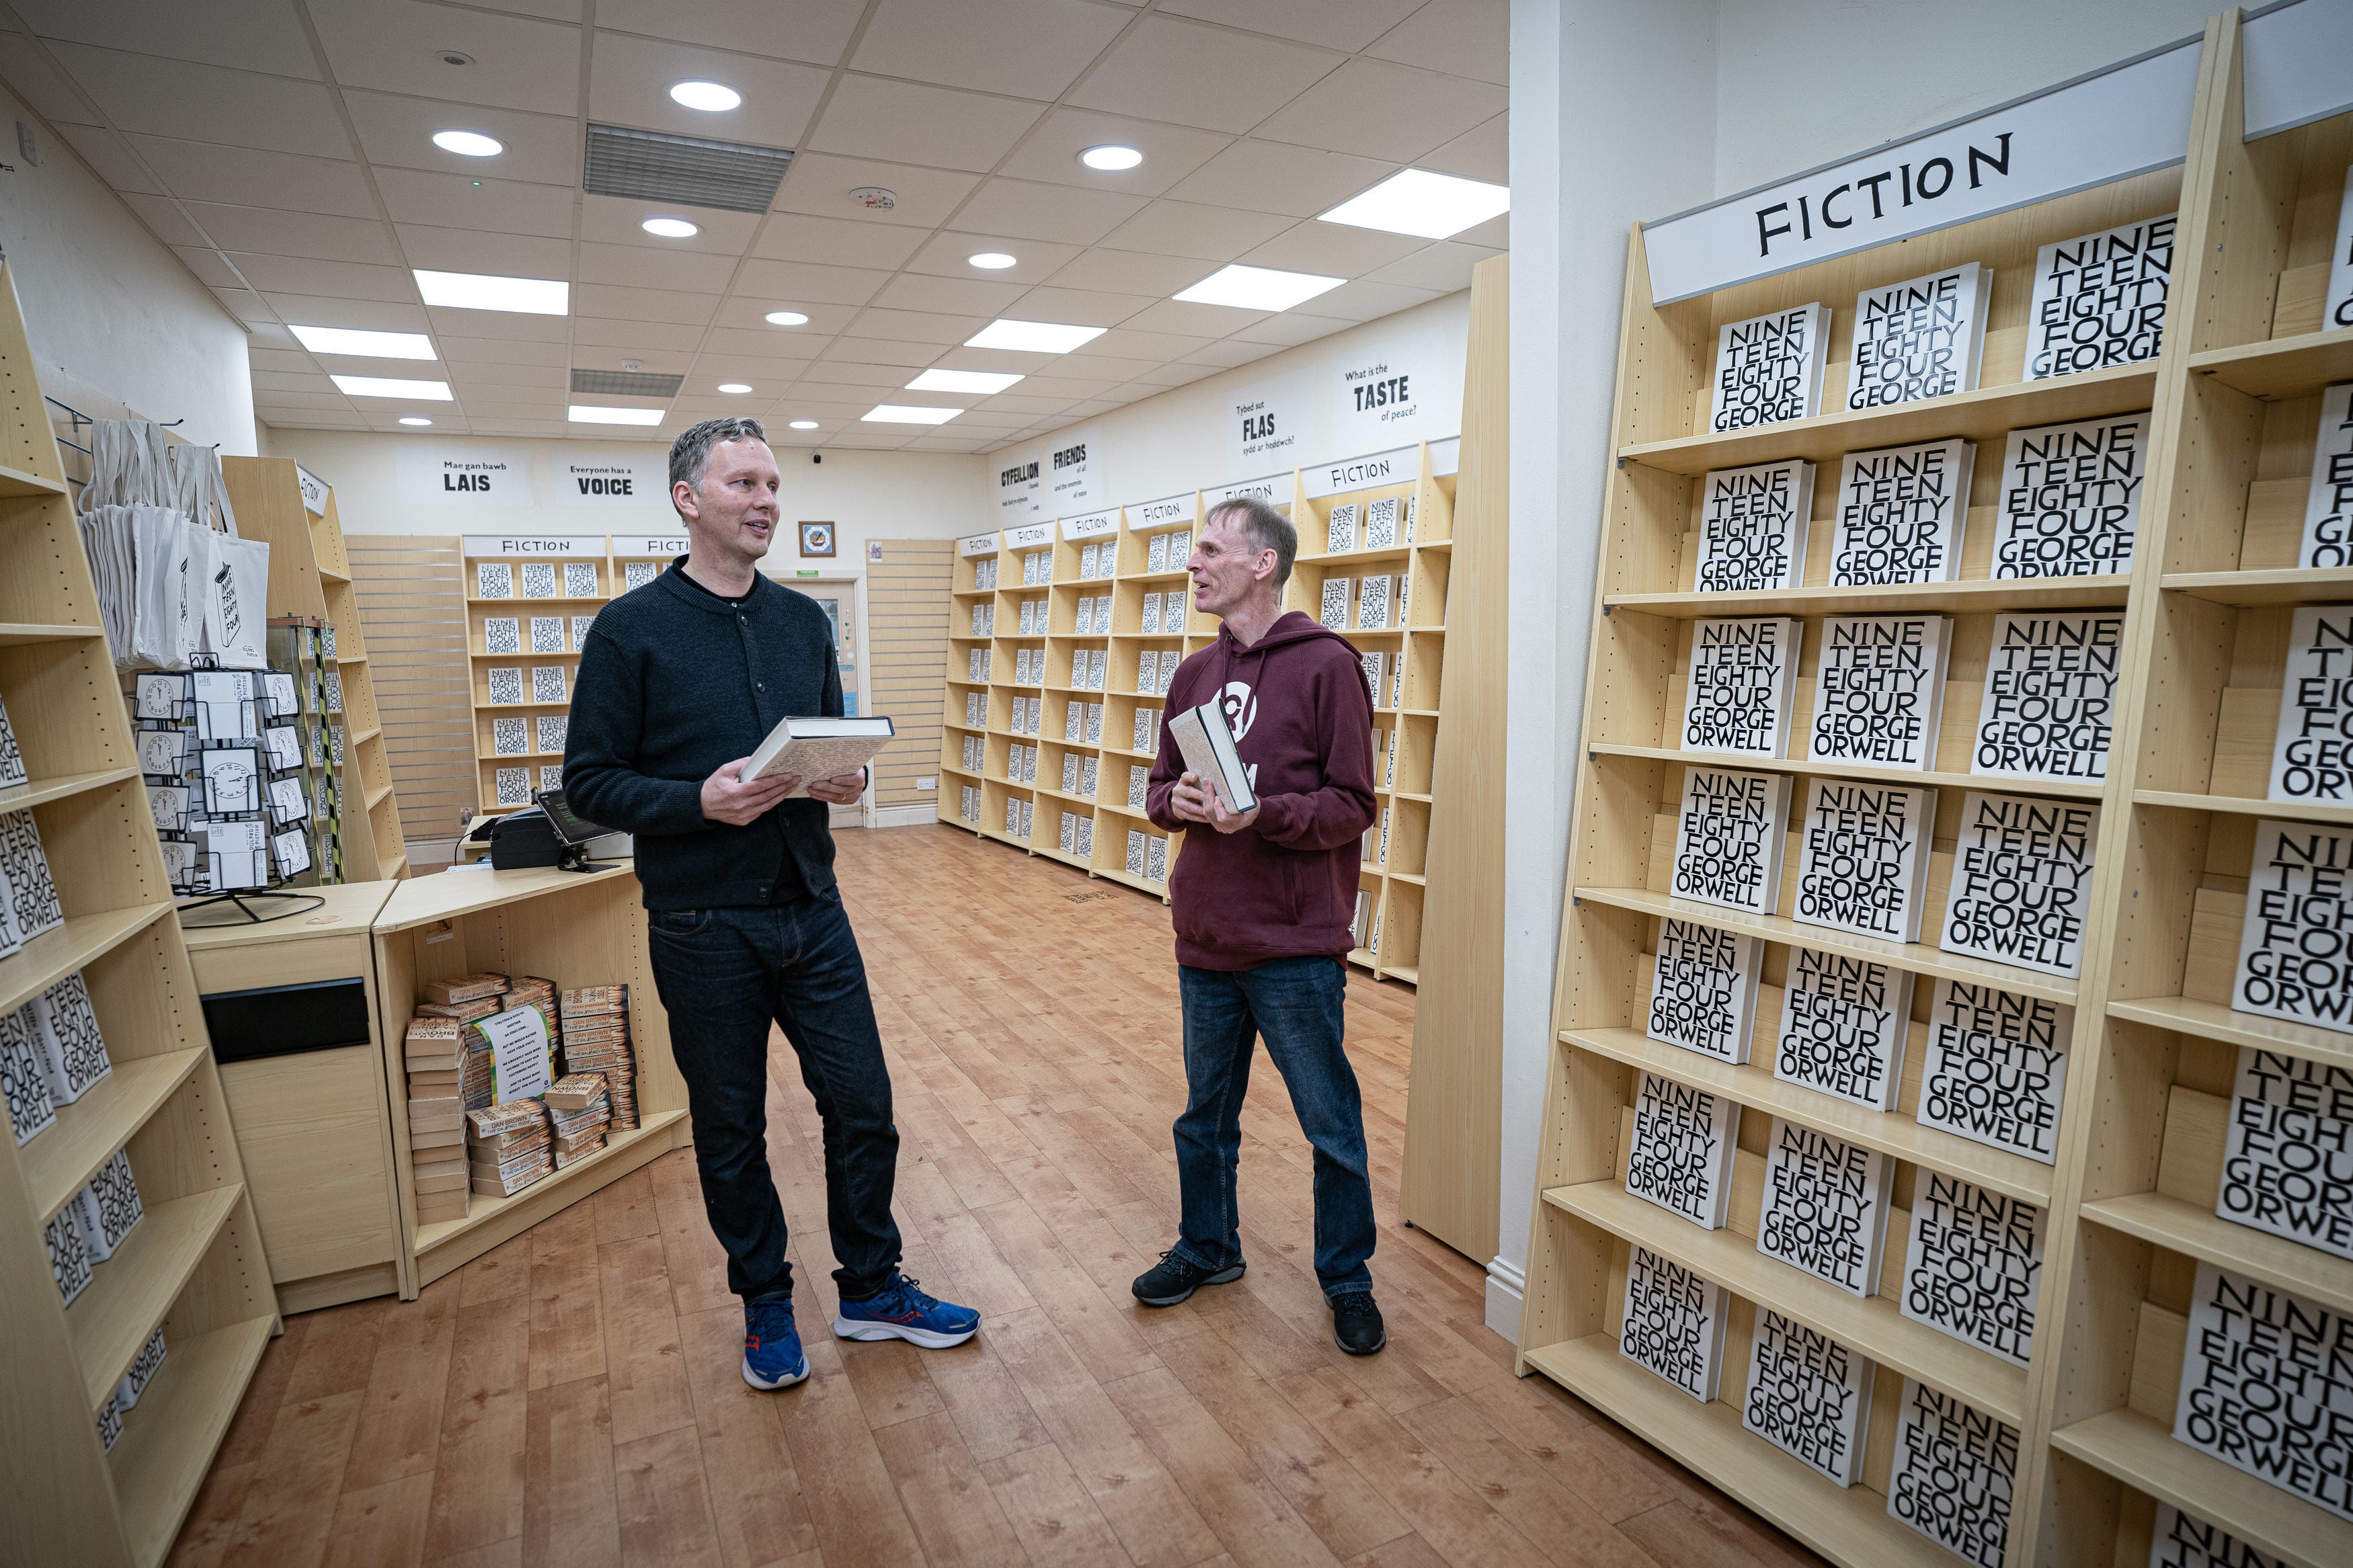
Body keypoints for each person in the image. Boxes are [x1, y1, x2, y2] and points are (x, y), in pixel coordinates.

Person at [565, 416, 978, 1391]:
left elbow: (823, 743)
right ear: (688, 500)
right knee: (731, 1125)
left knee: (864, 1105)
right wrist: (692, 802)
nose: (765, 502)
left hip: (812, 904)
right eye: (744, 483)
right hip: (703, 923)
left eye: (772, 485)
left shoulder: (803, 622)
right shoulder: (629, 631)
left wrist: (840, 779)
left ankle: (871, 1286)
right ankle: (763, 1305)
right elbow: (589, 783)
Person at [1135, 496, 1386, 1354]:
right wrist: (1185, 801)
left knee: (1328, 1122)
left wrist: (1262, 813)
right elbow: (1156, 791)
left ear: (1262, 563)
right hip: (1205, 936)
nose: (1194, 563)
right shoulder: (1190, 675)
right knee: (1203, 1116)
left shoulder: (1327, 667)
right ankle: (1208, 1248)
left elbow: (1354, 805)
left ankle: (1345, 1279)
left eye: (1210, 549)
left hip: (1293, 949)